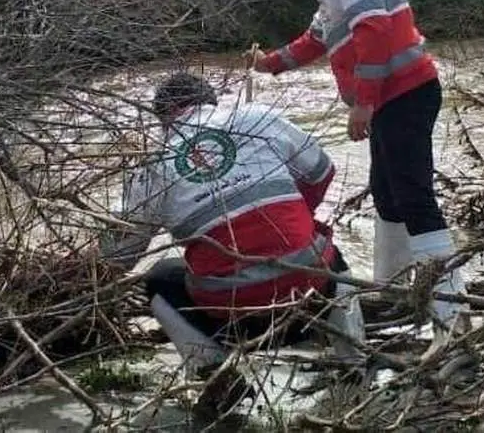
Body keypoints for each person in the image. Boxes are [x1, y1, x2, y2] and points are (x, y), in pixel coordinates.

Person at [246, 0, 468, 347]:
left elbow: (376, 30)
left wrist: (362, 103)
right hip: (394, 96)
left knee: (414, 197)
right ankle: (394, 294)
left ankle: (453, 312)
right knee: (388, 195)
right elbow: (318, 37)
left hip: (403, 93)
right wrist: (268, 64)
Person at [94, 72, 366, 416]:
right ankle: (353, 361)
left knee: (160, 277)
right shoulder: (255, 117)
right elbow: (322, 170)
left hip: (231, 317)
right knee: (326, 249)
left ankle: (218, 377)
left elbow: (119, 253)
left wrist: (81, 271)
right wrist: (297, 214)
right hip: (309, 300)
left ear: (165, 116)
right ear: (209, 101)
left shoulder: (153, 165)